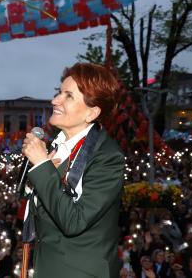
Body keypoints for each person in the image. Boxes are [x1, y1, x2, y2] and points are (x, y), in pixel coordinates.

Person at [22, 62, 124, 277]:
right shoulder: (55, 146)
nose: (54, 100)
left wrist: (41, 165)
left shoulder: (107, 157)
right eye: (59, 92)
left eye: (68, 96)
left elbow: (74, 222)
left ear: (92, 113)